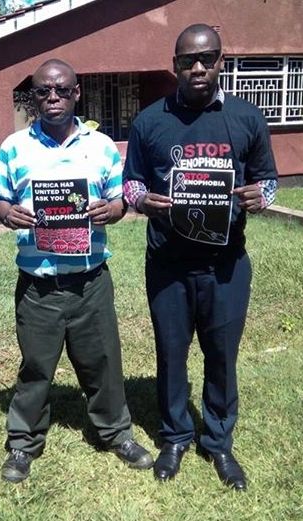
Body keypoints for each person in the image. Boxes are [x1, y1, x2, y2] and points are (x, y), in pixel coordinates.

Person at [123, 24, 277, 491]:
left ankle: (218, 442)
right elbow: (131, 182)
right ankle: (174, 437)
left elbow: (267, 179)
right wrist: (142, 200)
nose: (197, 68)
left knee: (221, 356)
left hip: (226, 265)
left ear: (220, 62)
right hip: (168, 263)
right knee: (171, 355)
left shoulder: (247, 118)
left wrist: (261, 196)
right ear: (173, 65)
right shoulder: (150, 121)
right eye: (188, 60)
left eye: (206, 59)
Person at [0, 59, 153, 483]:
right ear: (33, 96)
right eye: (44, 91)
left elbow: (120, 201)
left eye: (62, 90)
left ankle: (115, 433)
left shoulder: (100, 147)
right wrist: (10, 214)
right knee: (35, 368)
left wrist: (111, 209)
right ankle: (24, 444)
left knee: (103, 362)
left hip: (90, 279)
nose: (53, 98)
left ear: (76, 93)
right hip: (38, 284)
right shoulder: (13, 147)